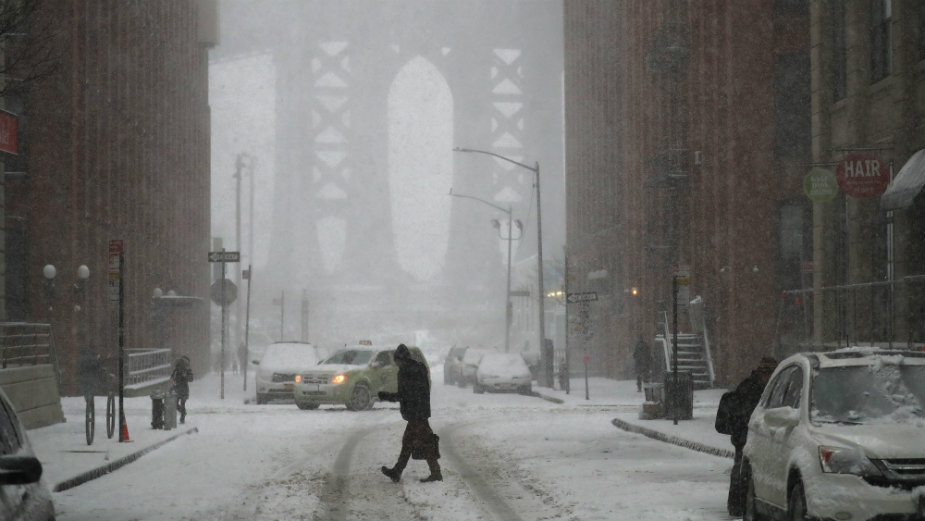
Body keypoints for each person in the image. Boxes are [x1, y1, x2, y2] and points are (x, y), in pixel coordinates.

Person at [378, 344, 442, 483]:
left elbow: (404, 395)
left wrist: (386, 396)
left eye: (396, 361)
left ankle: (436, 473)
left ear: (400, 359)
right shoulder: (419, 368)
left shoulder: (405, 371)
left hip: (415, 414)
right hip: (421, 410)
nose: (396, 363)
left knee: (426, 442)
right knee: (408, 442)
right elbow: (420, 391)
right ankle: (397, 471)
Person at [723, 356, 777, 517]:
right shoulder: (750, 387)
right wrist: (742, 434)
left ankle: (751, 502)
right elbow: (741, 412)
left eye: (771, 372)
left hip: (762, 437)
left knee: (750, 472)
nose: (767, 376)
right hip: (746, 436)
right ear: (761, 371)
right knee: (742, 471)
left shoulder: (770, 388)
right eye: (766, 372)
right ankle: (737, 504)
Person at [170, 356, 194, 424]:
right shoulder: (176, 370)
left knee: (182, 404)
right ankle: (183, 412)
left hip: (184, 389)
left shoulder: (188, 370)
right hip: (176, 389)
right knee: (175, 404)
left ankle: (182, 418)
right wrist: (172, 380)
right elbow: (172, 377)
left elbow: (191, 379)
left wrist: (185, 376)